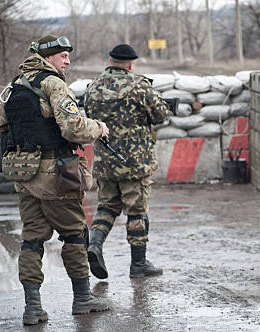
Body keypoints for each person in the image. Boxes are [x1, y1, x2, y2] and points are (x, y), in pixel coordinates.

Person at [0, 34, 112, 325]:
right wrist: (99, 128)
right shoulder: (54, 84)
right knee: (73, 235)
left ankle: (32, 308)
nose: (67, 61)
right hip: (57, 174)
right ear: (47, 58)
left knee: (32, 240)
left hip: (24, 175)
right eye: (62, 56)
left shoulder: (12, 86)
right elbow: (73, 129)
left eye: (68, 55)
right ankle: (83, 299)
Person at [84, 44, 169, 280]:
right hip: (135, 164)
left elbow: (89, 118)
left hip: (105, 161)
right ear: (131, 64)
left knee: (106, 207)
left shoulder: (93, 87)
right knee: (137, 211)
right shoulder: (140, 86)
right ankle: (138, 264)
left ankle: (95, 245)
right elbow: (161, 115)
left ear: (110, 60)